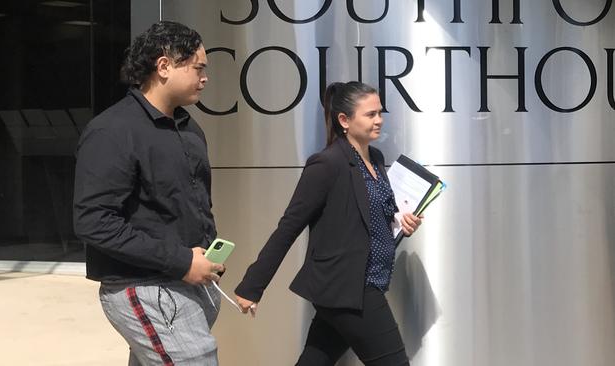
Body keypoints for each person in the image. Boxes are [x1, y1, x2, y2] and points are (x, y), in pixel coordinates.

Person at [234, 81, 423, 366]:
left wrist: (400, 220)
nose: (379, 120)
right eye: (370, 114)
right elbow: (288, 227)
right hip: (352, 289)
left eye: (380, 113)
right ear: (344, 120)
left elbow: (372, 215)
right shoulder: (327, 164)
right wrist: (252, 286)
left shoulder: (377, 159)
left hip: (356, 286)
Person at [73, 21, 224, 366]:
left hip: (189, 285)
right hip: (143, 285)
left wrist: (205, 254)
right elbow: (93, 222)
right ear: (164, 66)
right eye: (198, 67)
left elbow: (194, 205)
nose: (205, 77)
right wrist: (182, 260)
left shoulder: (189, 128)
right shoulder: (113, 131)